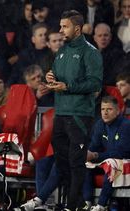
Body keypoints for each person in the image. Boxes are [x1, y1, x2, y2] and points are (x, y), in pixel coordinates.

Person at [45, 10, 103, 210]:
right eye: (61, 26)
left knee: (76, 162)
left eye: (64, 26)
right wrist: (51, 77)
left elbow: (95, 84)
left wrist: (67, 87)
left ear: (77, 28)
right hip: (60, 113)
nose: (60, 30)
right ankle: (77, 203)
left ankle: (72, 205)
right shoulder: (61, 51)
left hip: (79, 115)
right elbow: (56, 73)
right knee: (61, 162)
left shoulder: (91, 52)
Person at [83, 96, 130, 211]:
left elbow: (121, 152)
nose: (105, 113)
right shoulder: (100, 124)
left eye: (109, 109)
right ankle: (87, 202)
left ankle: (101, 205)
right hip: (109, 159)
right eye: (103, 109)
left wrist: (96, 155)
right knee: (86, 164)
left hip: (126, 160)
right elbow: (94, 146)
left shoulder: (126, 125)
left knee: (111, 164)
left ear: (117, 111)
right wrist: (87, 153)